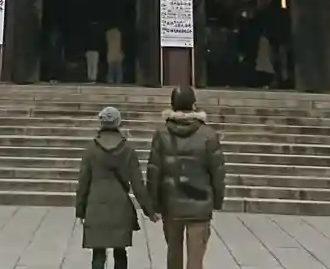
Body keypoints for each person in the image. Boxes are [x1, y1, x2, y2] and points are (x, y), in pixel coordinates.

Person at [147, 87, 225, 269]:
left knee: (173, 253)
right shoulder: (208, 135)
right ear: (193, 104)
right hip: (200, 203)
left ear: (172, 104)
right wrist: (217, 200)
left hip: (171, 203)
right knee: (196, 259)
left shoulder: (161, 134)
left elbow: (154, 171)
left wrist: (153, 203)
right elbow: (218, 172)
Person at [76, 106, 155, 269]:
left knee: (98, 252)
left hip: (96, 204)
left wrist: (80, 210)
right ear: (118, 122)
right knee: (120, 251)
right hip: (121, 205)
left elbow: (83, 182)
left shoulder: (91, 149)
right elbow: (138, 184)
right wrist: (150, 211)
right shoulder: (128, 149)